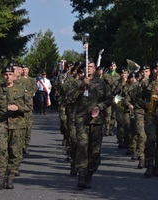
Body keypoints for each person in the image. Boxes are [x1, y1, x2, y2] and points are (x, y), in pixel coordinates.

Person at [67, 60, 113, 189]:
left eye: (92, 67)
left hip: (96, 122)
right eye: (87, 67)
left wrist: (99, 106)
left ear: (95, 69)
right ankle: (81, 174)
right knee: (82, 146)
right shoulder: (77, 82)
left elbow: (110, 99)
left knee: (94, 151)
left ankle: (89, 174)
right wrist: (81, 85)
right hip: (81, 121)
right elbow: (68, 99)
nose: (89, 69)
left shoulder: (101, 83)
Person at [0, 65, 32, 190]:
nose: (8, 77)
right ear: (2, 76)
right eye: (5, 75)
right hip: (2, 124)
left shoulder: (22, 89)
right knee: (1, 149)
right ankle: (0, 177)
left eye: (10, 74)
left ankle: (10, 177)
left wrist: (18, 108)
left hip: (18, 126)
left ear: (14, 75)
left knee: (15, 152)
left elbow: (29, 106)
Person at [20, 64, 38, 154]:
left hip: (28, 106)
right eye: (23, 69)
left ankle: (26, 144)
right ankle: (21, 144)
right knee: (20, 127)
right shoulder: (18, 80)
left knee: (28, 127)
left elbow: (35, 88)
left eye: (26, 69)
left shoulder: (31, 80)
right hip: (20, 105)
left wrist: (28, 92)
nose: (24, 71)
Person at [103, 61, 121, 136]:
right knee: (107, 113)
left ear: (116, 67)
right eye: (111, 66)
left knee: (114, 114)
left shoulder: (118, 76)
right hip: (108, 96)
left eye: (113, 66)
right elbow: (106, 84)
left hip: (116, 97)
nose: (112, 67)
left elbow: (119, 86)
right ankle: (106, 128)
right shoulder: (106, 75)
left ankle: (111, 128)